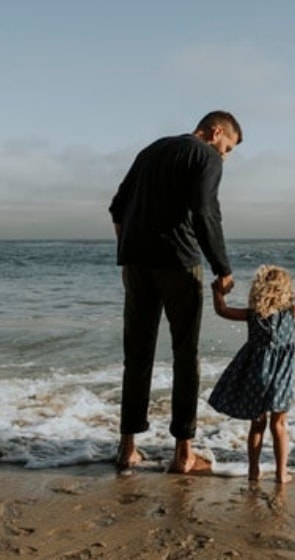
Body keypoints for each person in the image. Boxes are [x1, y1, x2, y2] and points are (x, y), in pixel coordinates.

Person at [108, 110, 243, 474]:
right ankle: (183, 452)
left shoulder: (151, 150)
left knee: (137, 355)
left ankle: (127, 448)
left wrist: (128, 254)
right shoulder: (206, 156)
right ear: (216, 132)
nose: (225, 156)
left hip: (136, 263)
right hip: (179, 263)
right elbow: (204, 211)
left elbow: (117, 206)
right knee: (185, 354)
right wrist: (222, 267)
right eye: (228, 148)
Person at [208, 264, 295, 483]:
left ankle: (254, 471)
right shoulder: (290, 313)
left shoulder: (253, 315)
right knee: (279, 424)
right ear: (286, 290)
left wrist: (217, 292)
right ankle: (281, 473)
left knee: (257, 424)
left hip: (255, 375)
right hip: (280, 376)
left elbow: (223, 311)